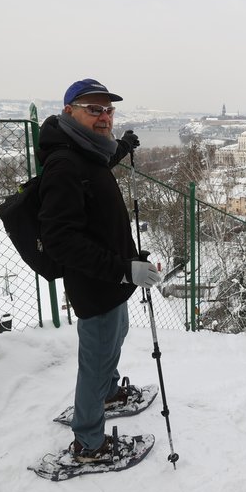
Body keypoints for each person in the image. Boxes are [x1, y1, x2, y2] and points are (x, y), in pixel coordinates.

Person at [36, 77, 160, 463]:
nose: (104, 116)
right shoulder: (63, 164)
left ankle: (107, 392)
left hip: (111, 280)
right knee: (96, 358)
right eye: (94, 109)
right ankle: (89, 443)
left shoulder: (84, 150)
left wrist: (122, 146)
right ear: (69, 111)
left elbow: (98, 167)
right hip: (97, 283)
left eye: (108, 109)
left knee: (114, 338)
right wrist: (124, 269)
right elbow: (60, 239)